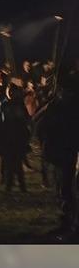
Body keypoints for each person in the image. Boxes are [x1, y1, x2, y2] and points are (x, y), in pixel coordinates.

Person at [37, 66, 79, 240]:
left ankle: (72, 226)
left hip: (65, 152)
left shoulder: (63, 105)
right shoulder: (59, 103)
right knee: (64, 190)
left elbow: (41, 124)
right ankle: (67, 224)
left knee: (67, 190)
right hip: (62, 152)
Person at [0, 85, 30, 192]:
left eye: (14, 92)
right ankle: (12, 185)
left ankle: (18, 186)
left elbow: (26, 120)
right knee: (10, 163)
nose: (12, 94)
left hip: (18, 137)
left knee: (17, 163)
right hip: (8, 137)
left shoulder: (19, 105)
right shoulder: (4, 104)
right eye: (10, 92)